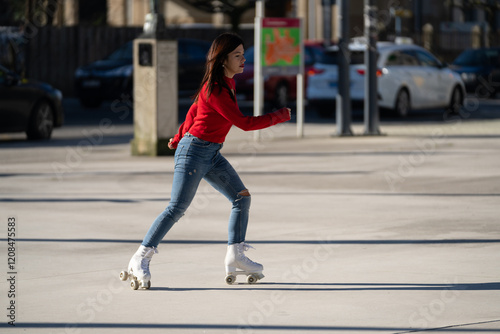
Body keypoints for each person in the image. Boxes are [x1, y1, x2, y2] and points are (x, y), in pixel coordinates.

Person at [125, 32, 291, 288]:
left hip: (210, 152)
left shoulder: (225, 84)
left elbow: (194, 109)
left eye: (243, 54)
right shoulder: (216, 90)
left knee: (241, 198)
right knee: (177, 208)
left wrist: (179, 134)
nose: (243, 59)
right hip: (194, 152)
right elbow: (244, 124)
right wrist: (279, 116)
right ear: (223, 59)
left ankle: (235, 255)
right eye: (237, 55)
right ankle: (140, 257)